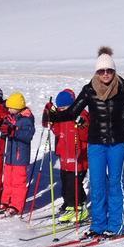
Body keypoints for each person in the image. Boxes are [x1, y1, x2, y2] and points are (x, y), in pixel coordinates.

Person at [44, 47, 124, 238]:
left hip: (118, 142)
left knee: (115, 182)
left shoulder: (122, 88)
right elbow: (72, 112)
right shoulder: (89, 90)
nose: (105, 74)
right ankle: (97, 225)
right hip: (95, 143)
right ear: (96, 72)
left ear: (114, 71)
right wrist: (54, 116)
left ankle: (115, 226)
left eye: (109, 71)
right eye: (101, 71)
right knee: (96, 184)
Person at [46, 87, 90, 223]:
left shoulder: (81, 114)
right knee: (65, 183)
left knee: (74, 184)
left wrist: (82, 125)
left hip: (78, 158)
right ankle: (69, 204)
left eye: (65, 107)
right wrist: (50, 117)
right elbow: (56, 131)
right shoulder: (62, 116)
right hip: (65, 157)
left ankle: (78, 208)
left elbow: (86, 135)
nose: (63, 110)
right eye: (60, 108)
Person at [0, 92, 36, 216]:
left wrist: (14, 131)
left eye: (10, 107)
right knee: (8, 180)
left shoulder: (26, 119)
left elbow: (28, 135)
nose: (8, 109)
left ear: (18, 107)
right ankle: (6, 201)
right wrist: (2, 129)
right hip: (10, 156)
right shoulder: (11, 117)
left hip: (20, 156)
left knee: (18, 182)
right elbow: (7, 132)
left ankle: (16, 204)